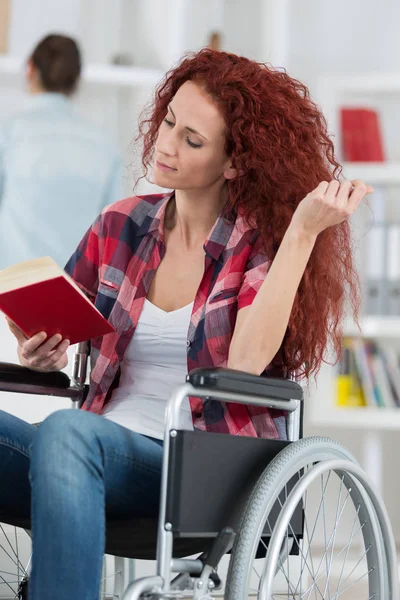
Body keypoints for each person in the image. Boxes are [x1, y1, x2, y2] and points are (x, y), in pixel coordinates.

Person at [1, 48, 372, 599]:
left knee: (68, 431)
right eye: (169, 121)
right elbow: (61, 317)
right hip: (88, 447)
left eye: (191, 140)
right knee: (68, 432)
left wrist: (301, 234)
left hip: (197, 469)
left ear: (234, 162)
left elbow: (245, 364)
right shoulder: (120, 224)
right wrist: (40, 347)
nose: (166, 144)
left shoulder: (257, 246)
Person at [0, 34, 123, 269]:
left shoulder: (9, 134)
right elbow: (112, 232)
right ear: (77, 78)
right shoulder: (105, 145)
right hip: (74, 293)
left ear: (30, 69)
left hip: (8, 291)